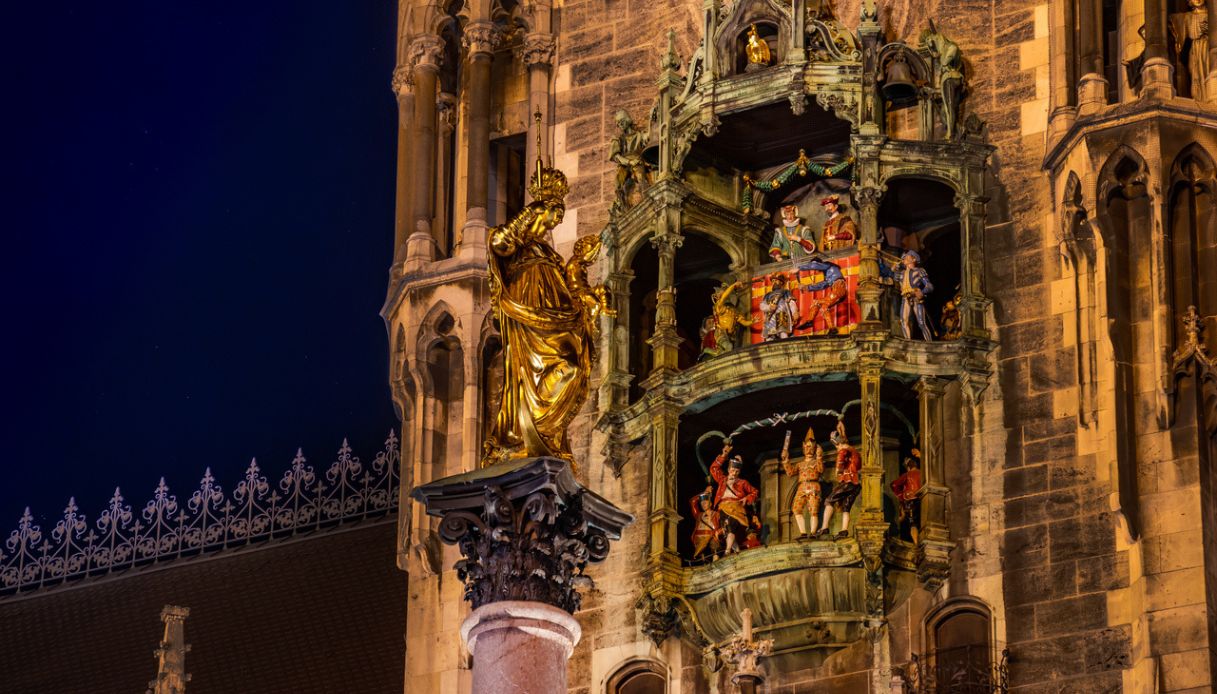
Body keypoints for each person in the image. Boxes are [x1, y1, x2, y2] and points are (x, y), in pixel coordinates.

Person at [483, 158, 595, 468]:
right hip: (527, 312)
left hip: (554, 316)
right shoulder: (518, 246)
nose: (553, 224)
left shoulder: (549, 253)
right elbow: (498, 245)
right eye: (551, 216)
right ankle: (525, 434)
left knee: (572, 367)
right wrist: (523, 220)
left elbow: (571, 284)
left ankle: (545, 434)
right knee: (542, 372)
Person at [710, 440, 759, 554]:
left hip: (736, 507)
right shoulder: (722, 480)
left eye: (737, 471)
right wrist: (724, 455)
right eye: (732, 470)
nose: (734, 473)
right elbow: (714, 469)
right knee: (727, 530)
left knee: (732, 526)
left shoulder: (742, 482)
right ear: (728, 470)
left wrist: (746, 499)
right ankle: (736, 550)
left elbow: (755, 492)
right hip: (722, 507)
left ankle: (727, 550)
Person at [817, 422, 861, 540]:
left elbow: (841, 458)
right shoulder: (853, 453)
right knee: (846, 507)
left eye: (836, 445)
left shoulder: (844, 450)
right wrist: (842, 431)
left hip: (849, 481)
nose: (837, 448)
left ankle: (825, 527)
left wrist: (838, 470)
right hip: (855, 484)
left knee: (829, 500)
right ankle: (844, 530)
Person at [780, 428, 824, 539]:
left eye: (810, 446)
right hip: (802, 487)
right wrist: (786, 460)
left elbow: (821, 470)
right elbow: (790, 472)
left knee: (813, 510)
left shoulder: (815, 461)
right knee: (796, 509)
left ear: (814, 448)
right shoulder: (800, 464)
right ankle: (803, 533)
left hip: (813, 486)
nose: (808, 449)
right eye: (806, 446)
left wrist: (819, 457)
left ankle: (813, 532)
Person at [699, 280, 756, 359]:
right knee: (729, 347)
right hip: (721, 333)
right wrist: (734, 286)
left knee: (724, 351)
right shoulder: (720, 307)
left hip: (730, 336)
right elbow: (724, 296)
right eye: (719, 295)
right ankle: (712, 352)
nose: (721, 296)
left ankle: (708, 350)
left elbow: (743, 322)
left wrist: (752, 322)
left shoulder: (733, 310)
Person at [889, 250, 934, 341]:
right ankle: (908, 341)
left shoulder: (919, 271)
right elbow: (894, 276)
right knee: (903, 321)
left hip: (916, 298)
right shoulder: (901, 273)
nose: (904, 258)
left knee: (921, 323)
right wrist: (894, 269)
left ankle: (929, 343)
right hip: (905, 298)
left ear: (913, 259)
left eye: (907, 256)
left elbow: (929, 286)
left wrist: (922, 292)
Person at [1170, 0, 1209, 100]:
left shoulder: (1211, 15)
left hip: (1207, 47)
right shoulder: (1186, 17)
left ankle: (1208, 95)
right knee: (1195, 74)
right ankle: (1199, 98)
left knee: (1207, 70)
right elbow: (1167, 20)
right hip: (1194, 50)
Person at [798, 256, 848, 334]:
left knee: (820, 304)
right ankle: (830, 328)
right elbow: (822, 285)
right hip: (837, 289)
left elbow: (814, 265)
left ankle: (811, 322)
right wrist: (807, 287)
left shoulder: (827, 265)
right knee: (821, 305)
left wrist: (799, 268)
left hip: (838, 287)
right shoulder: (828, 273)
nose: (815, 269)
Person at [891, 451, 923, 544]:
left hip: (910, 500)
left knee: (913, 524)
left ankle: (916, 542)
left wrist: (901, 495)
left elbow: (894, 485)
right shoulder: (922, 473)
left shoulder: (907, 474)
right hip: (922, 498)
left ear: (908, 467)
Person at [760, 274, 799, 341]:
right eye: (773, 281)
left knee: (783, 331)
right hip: (770, 316)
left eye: (776, 280)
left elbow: (791, 302)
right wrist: (769, 307)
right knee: (770, 334)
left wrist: (794, 312)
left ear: (781, 282)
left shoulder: (785, 292)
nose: (774, 282)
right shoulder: (767, 295)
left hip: (782, 313)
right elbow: (762, 305)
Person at [689, 488, 721, 559]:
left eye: (705, 503)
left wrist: (719, 532)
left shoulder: (716, 514)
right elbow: (692, 501)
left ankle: (715, 556)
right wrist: (704, 492)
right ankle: (703, 560)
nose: (703, 505)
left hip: (711, 535)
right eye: (702, 504)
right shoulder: (699, 515)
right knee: (701, 553)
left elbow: (721, 525)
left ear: (710, 504)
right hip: (699, 537)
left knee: (714, 545)